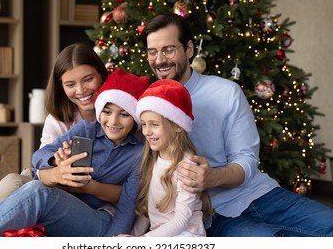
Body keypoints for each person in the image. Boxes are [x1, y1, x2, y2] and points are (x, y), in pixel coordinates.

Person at [141, 13, 333, 237]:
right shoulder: (145, 105)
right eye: (152, 52)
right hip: (210, 215)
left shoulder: (225, 92)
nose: (160, 59)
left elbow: (246, 158)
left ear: (190, 49)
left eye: (169, 49)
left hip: (259, 195)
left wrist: (212, 177)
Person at [0, 43, 120, 237]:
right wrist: (55, 167)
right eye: (70, 84)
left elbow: (132, 190)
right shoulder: (59, 119)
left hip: (90, 208)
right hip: (45, 183)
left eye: (88, 80)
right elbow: (41, 164)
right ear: (61, 87)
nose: (81, 90)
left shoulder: (119, 118)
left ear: (101, 75)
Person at [0, 68, 149, 237]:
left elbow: (127, 208)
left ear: (134, 117)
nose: (113, 121)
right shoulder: (86, 130)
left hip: (97, 218)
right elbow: (39, 156)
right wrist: (55, 162)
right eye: (107, 112)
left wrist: (108, 245)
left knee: (35, 191)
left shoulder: (137, 155)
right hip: (60, 200)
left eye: (124, 114)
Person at [130, 79, 213, 237]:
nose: (146, 131)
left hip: (187, 235)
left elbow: (181, 220)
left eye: (154, 124)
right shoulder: (152, 160)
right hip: (161, 235)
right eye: (144, 124)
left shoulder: (187, 166)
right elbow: (146, 213)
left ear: (177, 125)